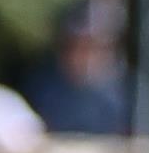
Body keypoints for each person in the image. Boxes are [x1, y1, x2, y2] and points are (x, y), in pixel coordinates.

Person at [28, 9, 133, 139]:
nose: (84, 55)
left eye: (93, 47)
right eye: (76, 45)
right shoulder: (41, 88)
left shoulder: (129, 92)